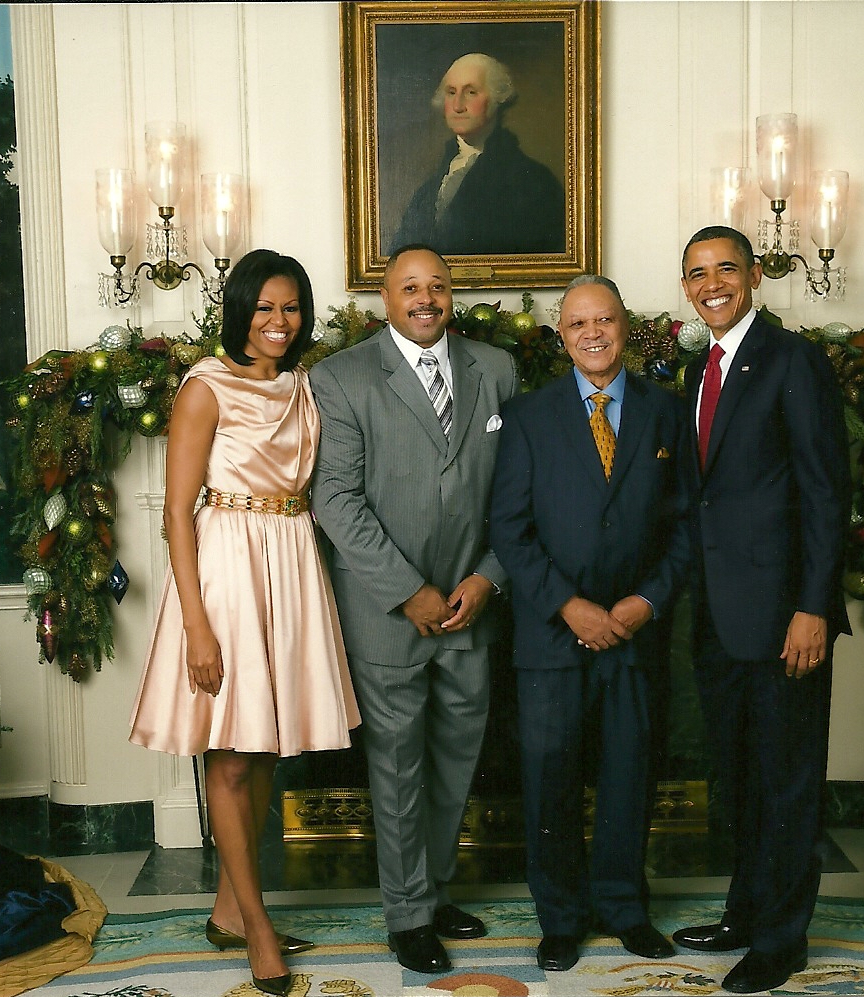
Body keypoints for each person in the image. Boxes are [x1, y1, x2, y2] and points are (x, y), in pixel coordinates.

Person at [128, 249, 361, 997]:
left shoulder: (304, 386)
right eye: (264, 307)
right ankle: (258, 928)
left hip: (291, 561)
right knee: (229, 757)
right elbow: (176, 512)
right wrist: (197, 626)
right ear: (239, 310)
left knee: (263, 752)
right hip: (226, 570)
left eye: (291, 308)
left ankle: (230, 910)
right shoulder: (205, 386)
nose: (278, 321)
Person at [309, 244, 518, 974]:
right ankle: (407, 915)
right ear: (385, 299)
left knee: (458, 755)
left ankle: (434, 891)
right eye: (409, 287)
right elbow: (336, 499)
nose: (425, 299)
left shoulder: (496, 369)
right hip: (387, 608)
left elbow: (515, 491)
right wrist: (409, 591)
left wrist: (489, 577)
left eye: (436, 286)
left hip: (471, 603)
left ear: (451, 293)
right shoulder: (341, 377)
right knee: (398, 764)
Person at [488, 275, 690, 972]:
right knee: (550, 778)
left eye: (604, 320)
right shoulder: (527, 417)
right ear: (561, 336)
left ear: (625, 327)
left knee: (630, 773)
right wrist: (568, 605)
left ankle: (625, 908)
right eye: (578, 324)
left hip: (635, 631)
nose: (593, 334)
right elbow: (509, 528)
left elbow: (686, 526)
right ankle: (561, 918)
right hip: (552, 633)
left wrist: (646, 602)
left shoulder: (667, 412)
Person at [670, 226, 851, 994]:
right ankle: (744, 914)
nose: (711, 283)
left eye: (725, 269)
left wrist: (813, 607)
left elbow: (825, 491)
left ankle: (781, 940)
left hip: (784, 618)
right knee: (740, 778)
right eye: (697, 273)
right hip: (718, 616)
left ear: (753, 277)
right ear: (686, 287)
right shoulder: (698, 368)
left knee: (785, 782)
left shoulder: (792, 359)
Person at [390, 53, 565, 256]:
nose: (457, 106)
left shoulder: (534, 182)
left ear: (497, 99)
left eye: (471, 92)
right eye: (451, 92)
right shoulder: (428, 190)